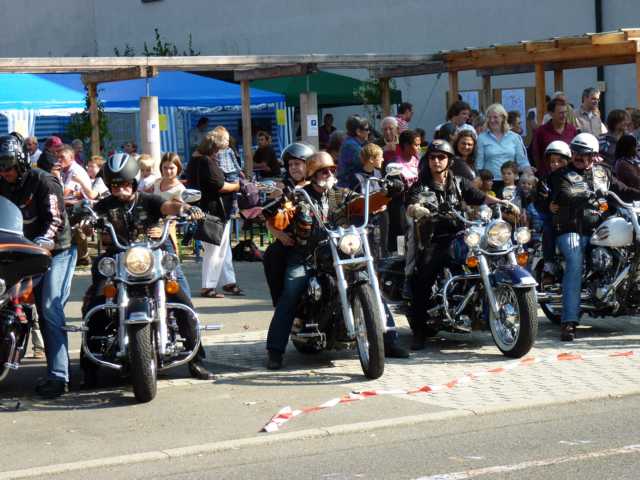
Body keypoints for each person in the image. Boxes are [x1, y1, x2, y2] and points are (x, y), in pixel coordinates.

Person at [265, 151, 408, 369]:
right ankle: (275, 351)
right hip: (307, 256)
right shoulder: (299, 196)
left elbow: (364, 203)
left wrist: (388, 193)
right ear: (312, 174)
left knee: (371, 285)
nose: (329, 174)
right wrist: (279, 202)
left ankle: (389, 340)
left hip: (340, 252)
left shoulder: (341, 194)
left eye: (331, 170)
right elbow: (279, 218)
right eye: (323, 171)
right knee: (292, 290)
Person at [82, 152, 214, 381]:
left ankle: (196, 360)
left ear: (133, 182)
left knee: (183, 303)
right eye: (115, 186)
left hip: (151, 257)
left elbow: (168, 206)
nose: (120, 190)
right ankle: (89, 367)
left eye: (124, 184)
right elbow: (90, 217)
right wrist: (86, 221)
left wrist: (184, 209)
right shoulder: (105, 205)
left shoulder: (148, 200)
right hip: (117, 258)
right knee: (97, 303)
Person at [406, 139, 517, 350]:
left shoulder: (459, 182)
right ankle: (418, 330)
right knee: (425, 274)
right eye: (432, 157)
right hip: (435, 238)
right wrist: (417, 209)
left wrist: (502, 203)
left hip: (460, 235)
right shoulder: (421, 185)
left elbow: (480, 197)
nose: (436, 161)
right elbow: (411, 204)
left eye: (441, 157)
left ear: (449, 160)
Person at [0, 134, 75, 398]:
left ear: (21, 163)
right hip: (18, 249)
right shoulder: (2, 183)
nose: (4, 172)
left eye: (8, 167)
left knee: (48, 307)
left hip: (55, 251)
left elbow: (55, 219)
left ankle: (59, 376)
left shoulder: (44, 181)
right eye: (0, 167)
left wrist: (45, 240)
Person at [549, 133, 640, 341]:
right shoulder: (562, 174)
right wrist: (586, 194)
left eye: (583, 154)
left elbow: (621, 189)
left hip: (598, 228)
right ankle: (569, 321)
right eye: (575, 153)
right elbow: (564, 193)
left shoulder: (603, 172)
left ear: (593, 155)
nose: (578, 157)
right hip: (571, 228)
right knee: (575, 260)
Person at [188, 129, 242, 299]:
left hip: (210, 208)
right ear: (214, 146)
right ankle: (208, 286)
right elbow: (219, 185)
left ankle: (229, 281)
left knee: (224, 249)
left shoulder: (196, 160)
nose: (225, 147)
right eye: (222, 144)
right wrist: (238, 186)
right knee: (215, 250)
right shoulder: (206, 162)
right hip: (213, 210)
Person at [263, 142, 315, 306]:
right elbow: (268, 218)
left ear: (308, 164)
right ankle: (281, 305)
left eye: (297, 164)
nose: (293, 168)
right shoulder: (281, 187)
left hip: (316, 241)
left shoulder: (317, 184)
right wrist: (280, 235)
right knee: (272, 254)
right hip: (291, 241)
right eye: (290, 164)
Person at [476, 103, 531, 196]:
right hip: (491, 183)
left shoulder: (515, 137)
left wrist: (530, 175)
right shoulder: (481, 138)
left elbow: (522, 161)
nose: (492, 120)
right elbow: (479, 164)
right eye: (489, 117)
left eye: (495, 117)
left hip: (512, 183)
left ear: (503, 118)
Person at [536, 141, 571, 286]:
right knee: (548, 228)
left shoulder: (575, 177)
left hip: (576, 219)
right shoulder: (545, 180)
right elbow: (540, 199)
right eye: (552, 161)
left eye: (560, 161)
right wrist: (548, 205)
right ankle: (549, 266)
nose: (555, 164)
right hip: (555, 219)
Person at [57, 144, 97, 266]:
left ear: (71, 158)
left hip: (84, 207)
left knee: (62, 217)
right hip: (71, 204)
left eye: (62, 157)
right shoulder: (64, 169)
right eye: (57, 157)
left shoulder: (75, 171)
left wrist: (56, 176)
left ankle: (81, 256)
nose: (59, 160)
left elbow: (63, 193)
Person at [531, 98, 578, 176]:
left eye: (565, 112)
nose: (564, 116)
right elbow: (536, 155)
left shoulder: (572, 130)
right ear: (551, 113)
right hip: (548, 176)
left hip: (568, 176)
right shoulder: (541, 132)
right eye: (561, 113)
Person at [336, 115, 369, 188]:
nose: (369, 132)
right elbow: (367, 165)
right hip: (349, 188)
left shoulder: (350, 143)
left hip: (349, 186)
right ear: (358, 132)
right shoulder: (352, 146)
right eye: (367, 129)